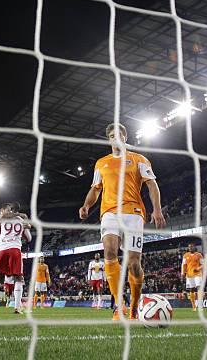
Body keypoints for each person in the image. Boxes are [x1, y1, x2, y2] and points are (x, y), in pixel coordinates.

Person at [79, 123, 166, 320]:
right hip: (109, 212)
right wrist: (86, 206)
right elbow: (95, 189)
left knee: (134, 263)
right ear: (108, 140)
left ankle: (135, 305)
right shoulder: (101, 163)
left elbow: (152, 185)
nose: (115, 138)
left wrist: (157, 210)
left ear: (125, 137)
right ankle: (119, 305)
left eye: (118, 135)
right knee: (109, 251)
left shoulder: (139, 159)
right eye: (111, 136)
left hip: (134, 213)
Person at [0, 203, 32, 314]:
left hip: (2, 250)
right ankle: (17, 307)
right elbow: (29, 238)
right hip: (15, 250)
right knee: (18, 279)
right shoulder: (22, 220)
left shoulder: (1, 219)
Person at [182, 243, 204, 311]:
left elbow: (203, 264)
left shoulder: (199, 255)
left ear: (194, 247)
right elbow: (183, 265)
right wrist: (183, 273)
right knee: (192, 290)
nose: (190, 248)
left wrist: (198, 268)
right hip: (189, 275)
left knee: (199, 288)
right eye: (189, 247)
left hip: (197, 274)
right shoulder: (186, 255)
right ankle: (194, 306)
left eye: (191, 247)